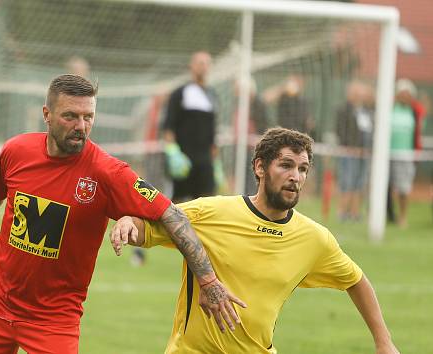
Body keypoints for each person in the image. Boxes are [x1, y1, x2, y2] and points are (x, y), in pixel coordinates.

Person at [0, 75, 244, 354]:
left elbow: (172, 215)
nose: (81, 126)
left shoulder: (108, 173)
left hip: (53, 319)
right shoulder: (16, 151)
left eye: (88, 117)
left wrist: (208, 281)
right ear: (47, 115)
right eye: (70, 116)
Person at [111, 128, 399, 354]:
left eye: (302, 169)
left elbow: (356, 280)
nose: (295, 177)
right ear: (260, 168)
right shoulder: (211, 212)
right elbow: (151, 225)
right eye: (286, 165)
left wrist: (383, 342)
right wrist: (129, 222)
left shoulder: (315, 239)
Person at [162, 51, 218, 203]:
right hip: (183, 160)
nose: (204, 67)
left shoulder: (212, 95)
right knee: (179, 202)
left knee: (207, 201)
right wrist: (173, 153)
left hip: (205, 161)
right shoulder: (179, 93)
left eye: (207, 63)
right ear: (191, 66)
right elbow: (168, 127)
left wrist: (215, 158)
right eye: (200, 63)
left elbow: (212, 129)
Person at [388, 79, 425, 227]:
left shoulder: (414, 111)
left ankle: (403, 218)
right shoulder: (390, 108)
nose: (404, 96)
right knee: (385, 189)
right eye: (401, 93)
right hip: (388, 155)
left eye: (407, 94)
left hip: (406, 156)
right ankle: (388, 216)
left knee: (403, 189)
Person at [335, 80, 374, 222]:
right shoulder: (343, 109)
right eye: (356, 93)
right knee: (347, 182)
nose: (359, 95)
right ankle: (341, 212)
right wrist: (351, 147)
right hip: (349, 153)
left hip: (364, 154)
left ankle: (354, 212)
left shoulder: (366, 111)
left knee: (359, 183)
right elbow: (340, 130)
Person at [232, 76, 269, 195]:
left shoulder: (258, 105)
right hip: (239, 146)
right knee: (240, 178)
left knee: (252, 179)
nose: (236, 93)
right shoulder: (239, 104)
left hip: (253, 148)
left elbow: (263, 127)